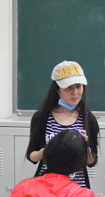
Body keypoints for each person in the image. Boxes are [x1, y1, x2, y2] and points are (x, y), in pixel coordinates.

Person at [25, 60, 99, 189]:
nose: (75, 92)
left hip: (77, 189)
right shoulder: (42, 118)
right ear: (57, 89)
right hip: (47, 188)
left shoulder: (88, 119)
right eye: (68, 87)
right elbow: (32, 156)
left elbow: (91, 162)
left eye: (78, 86)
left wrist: (85, 146)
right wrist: (46, 151)